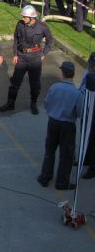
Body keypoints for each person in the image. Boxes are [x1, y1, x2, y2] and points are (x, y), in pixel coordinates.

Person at [0, 5, 53, 115]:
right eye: (23, 16)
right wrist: (15, 54)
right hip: (22, 57)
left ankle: (33, 103)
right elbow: (16, 39)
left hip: (35, 58)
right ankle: (10, 103)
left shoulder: (42, 27)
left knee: (35, 84)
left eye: (25, 17)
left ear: (32, 18)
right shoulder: (20, 24)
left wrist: (43, 54)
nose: (23, 18)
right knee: (15, 82)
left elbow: (50, 42)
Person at [37, 61, 82, 191]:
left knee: (49, 151)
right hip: (67, 125)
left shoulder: (55, 87)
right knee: (66, 155)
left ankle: (45, 177)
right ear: (72, 75)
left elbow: (46, 104)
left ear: (62, 73)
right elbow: (79, 112)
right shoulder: (77, 93)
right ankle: (62, 183)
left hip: (53, 123)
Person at [79, 52, 95, 179]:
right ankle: (85, 157)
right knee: (85, 135)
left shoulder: (92, 77)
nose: (90, 65)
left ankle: (93, 168)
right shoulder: (88, 73)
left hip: (93, 112)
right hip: (87, 108)